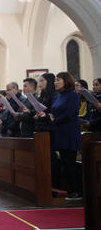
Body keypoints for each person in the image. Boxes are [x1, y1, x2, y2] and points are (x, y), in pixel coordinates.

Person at [38, 72, 81, 200]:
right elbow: (53, 113)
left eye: (58, 80)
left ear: (66, 81)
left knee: (70, 162)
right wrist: (46, 116)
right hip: (60, 132)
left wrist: (53, 119)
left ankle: (77, 192)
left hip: (69, 132)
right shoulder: (59, 96)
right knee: (65, 162)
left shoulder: (72, 95)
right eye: (55, 80)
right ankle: (71, 190)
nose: (55, 82)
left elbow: (70, 113)